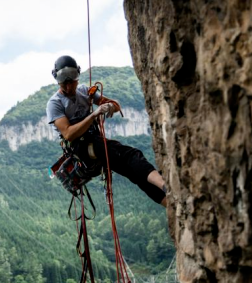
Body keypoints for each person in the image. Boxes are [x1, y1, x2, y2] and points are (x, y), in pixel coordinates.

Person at [46, 55, 167, 206]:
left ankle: (168, 201)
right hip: (81, 149)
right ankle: (165, 185)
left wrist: (110, 106)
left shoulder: (84, 91)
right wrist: (93, 115)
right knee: (130, 155)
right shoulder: (55, 103)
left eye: (72, 82)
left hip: (95, 142)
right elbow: (69, 134)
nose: (69, 87)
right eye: (65, 83)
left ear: (77, 77)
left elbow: (115, 105)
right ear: (58, 81)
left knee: (132, 171)